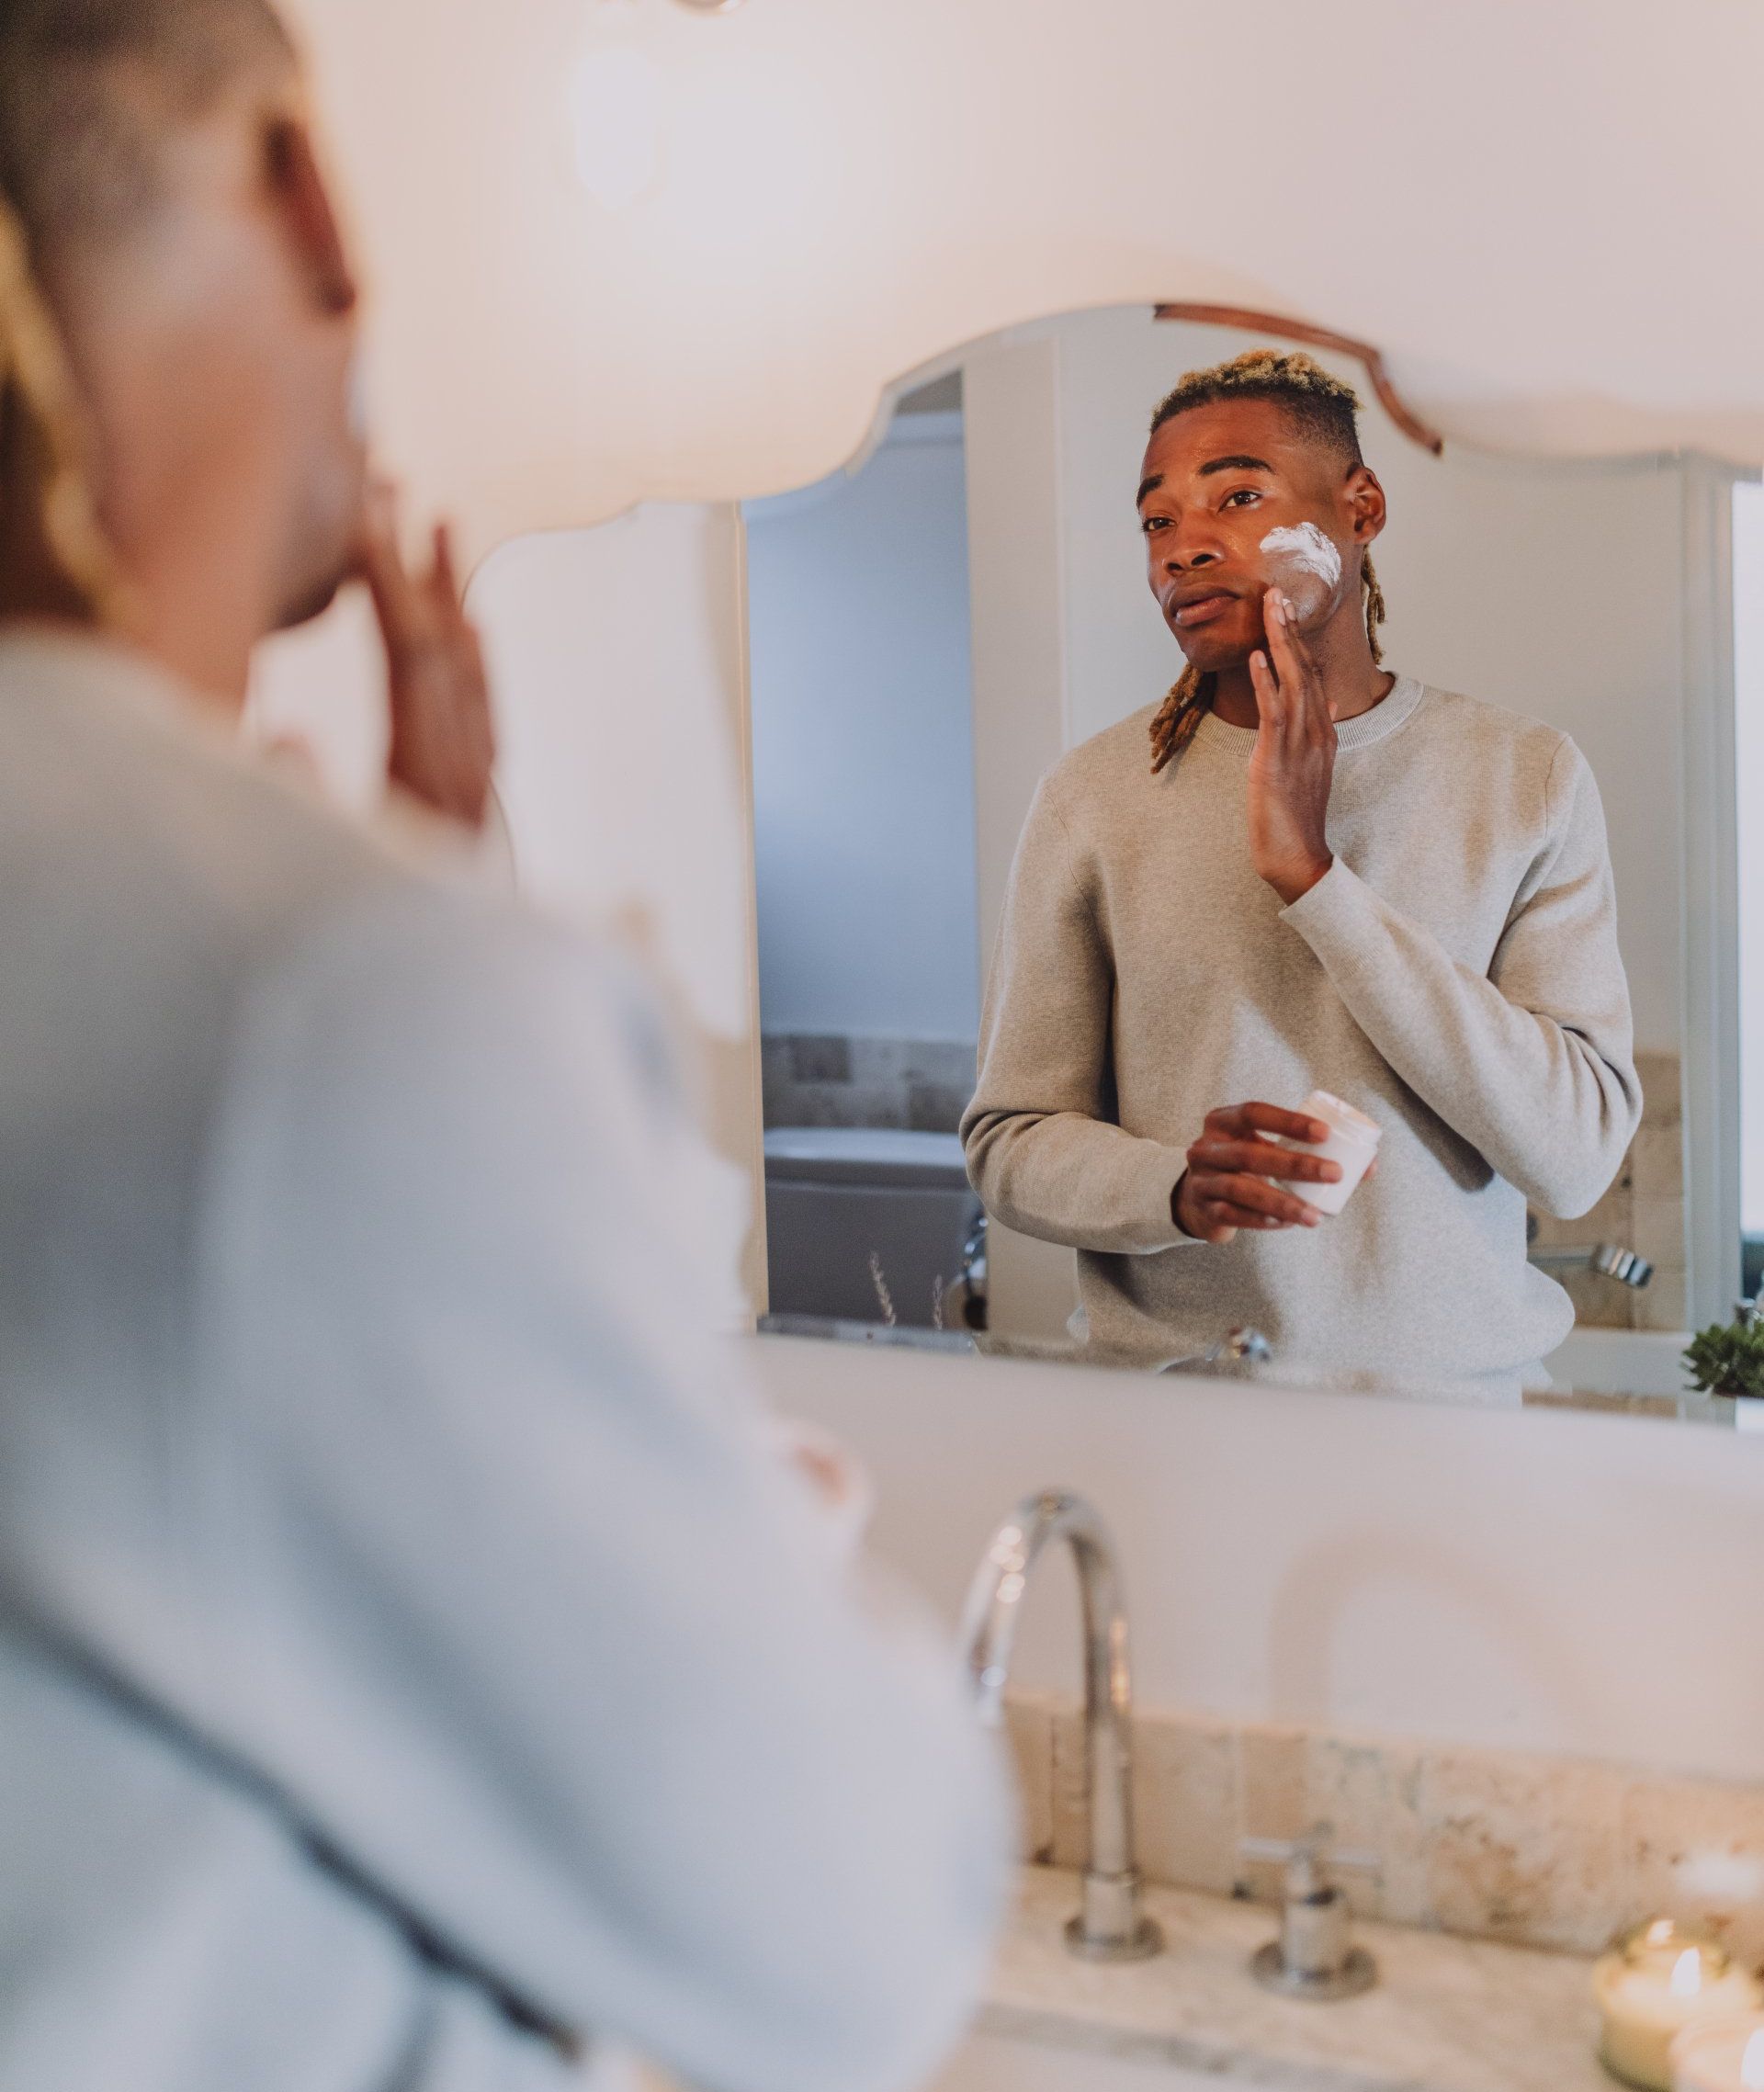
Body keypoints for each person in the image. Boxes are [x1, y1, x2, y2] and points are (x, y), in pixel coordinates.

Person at [0, 6, 1007, 2090]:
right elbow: (852, 1928)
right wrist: (423, 965)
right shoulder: (315, 1000)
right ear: (300, 191)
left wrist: (413, 882)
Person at [963, 350, 1642, 1396]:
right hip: (1180, 1426)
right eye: (1156, 521)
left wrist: (1316, 881)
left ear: (1360, 506)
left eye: (1237, 496)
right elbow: (1010, 1143)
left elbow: (1578, 1156)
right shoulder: (1093, 797)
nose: (1185, 546)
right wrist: (1174, 1187)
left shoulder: (1523, 777)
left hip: (1460, 1438)